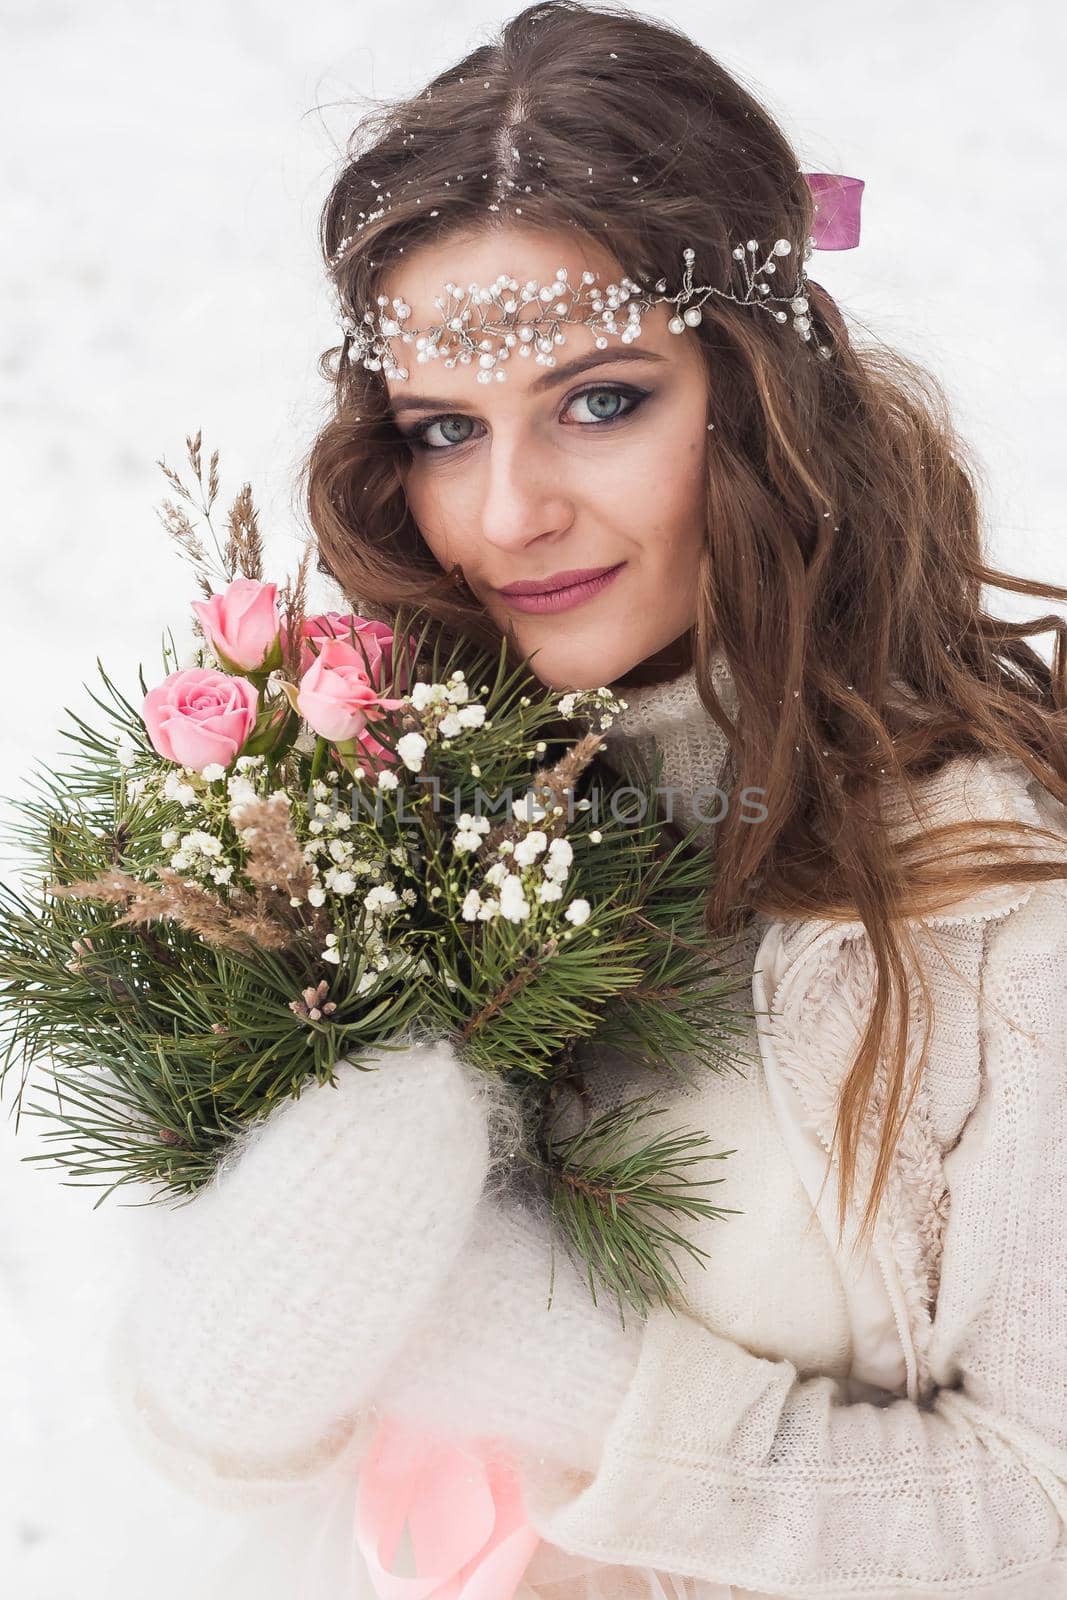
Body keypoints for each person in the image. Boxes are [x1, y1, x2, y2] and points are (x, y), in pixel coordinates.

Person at [109, 3, 1067, 1595]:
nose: (508, 511)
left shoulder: (985, 900)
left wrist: (542, 1356)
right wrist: (241, 1343)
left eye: (601, 399)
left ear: (756, 396)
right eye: (443, 429)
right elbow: (220, 1446)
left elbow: (1041, 1510)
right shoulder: (368, 824)